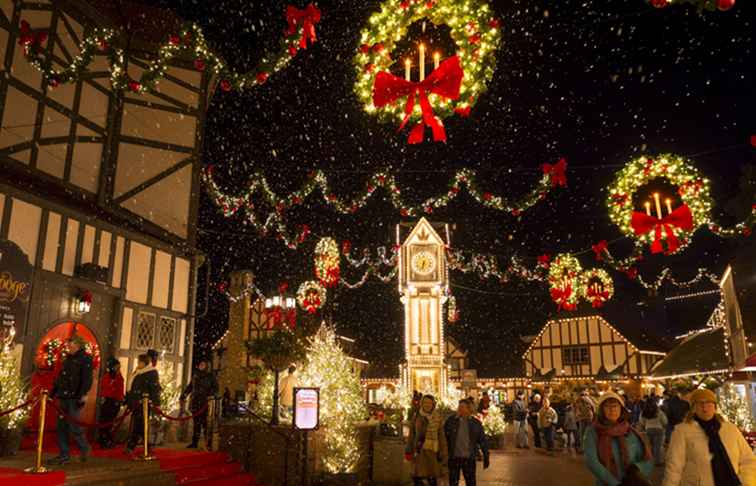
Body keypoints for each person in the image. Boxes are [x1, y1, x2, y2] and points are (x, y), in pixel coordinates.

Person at [663, 388, 756, 486]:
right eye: (699, 403)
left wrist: (746, 481)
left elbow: (748, 459)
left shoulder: (730, 429)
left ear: (715, 406)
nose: (704, 407)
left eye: (708, 402)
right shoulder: (682, 431)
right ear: (693, 408)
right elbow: (674, 466)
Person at [583, 391, 653, 486]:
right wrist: (614, 483)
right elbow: (592, 462)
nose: (612, 410)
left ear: (621, 408)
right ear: (601, 410)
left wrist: (637, 469)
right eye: (607, 406)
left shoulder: (630, 431)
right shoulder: (593, 432)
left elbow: (646, 458)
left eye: (615, 406)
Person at [48, 336, 93, 465]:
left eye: (71, 345)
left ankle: (84, 448)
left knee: (75, 426)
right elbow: (61, 378)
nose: (69, 347)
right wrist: (53, 393)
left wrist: (83, 395)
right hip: (64, 396)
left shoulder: (85, 359)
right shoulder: (68, 359)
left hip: (75, 397)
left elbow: (86, 379)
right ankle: (64, 454)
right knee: (61, 427)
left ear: (78, 345)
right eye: (68, 345)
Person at [444, 399, 490, 486]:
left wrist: (486, 455)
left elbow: (482, 440)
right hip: (454, 457)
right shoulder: (451, 421)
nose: (459, 409)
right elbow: (444, 437)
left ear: (469, 409)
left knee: (470, 482)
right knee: (453, 482)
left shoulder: (475, 423)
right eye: (459, 407)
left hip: (469, 458)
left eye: (462, 407)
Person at [405, 395, 447, 486]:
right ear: (421, 404)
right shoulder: (417, 417)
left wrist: (443, 452)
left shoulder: (438, 417)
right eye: (425, 403)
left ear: (433, 404)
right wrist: (408, 449)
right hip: (420, 451)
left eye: (429, 403)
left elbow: (441, 435)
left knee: (432, 478)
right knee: (418, 478)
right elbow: (412, 434)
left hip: (433, 451)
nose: (427, 405)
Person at [125, 353, 161, 455]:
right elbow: (132, 387)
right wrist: (128, 400)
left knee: (139, 424)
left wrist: (156, 403)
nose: (138, 364)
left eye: (140, 362)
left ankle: (132, 445)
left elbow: (155, 389)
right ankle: (146, 445)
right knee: (140, 425)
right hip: (136, 402)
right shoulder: (138, 372)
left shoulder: (151, 373)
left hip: (143, 403)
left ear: (144, 363)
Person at [180, 360, 219, 449]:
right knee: (196, 424)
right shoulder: (196, 375)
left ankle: (208, 443)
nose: (201, 366)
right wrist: (184, 395)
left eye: (203, 364)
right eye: (200, 364)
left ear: (207, 366)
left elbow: (216, 388)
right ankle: (194, 442)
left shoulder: (210, 376)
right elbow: (190, 387)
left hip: (206, 403)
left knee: (206, 424)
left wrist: (210, 395)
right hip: (196, 402)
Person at [98, 357, 124, 449]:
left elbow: (120, 389)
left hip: (115, 402)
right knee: (105, 421)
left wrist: (120, 399)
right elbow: (106, 390)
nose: (118, 369)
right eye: (117, 367)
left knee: (109, 422)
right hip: (108, 401)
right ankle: (104, 440)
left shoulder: (118, 376)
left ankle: (108, 439)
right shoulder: (108, 376)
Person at [639, 399, 668, 466]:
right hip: (659, 430)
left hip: (648, 430)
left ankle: (650, 461)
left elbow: (641, 422)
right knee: (658, 447)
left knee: (649, 446)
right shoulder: (659, 412)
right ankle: (658, 461)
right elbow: (665, 421)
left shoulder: (643, 412)